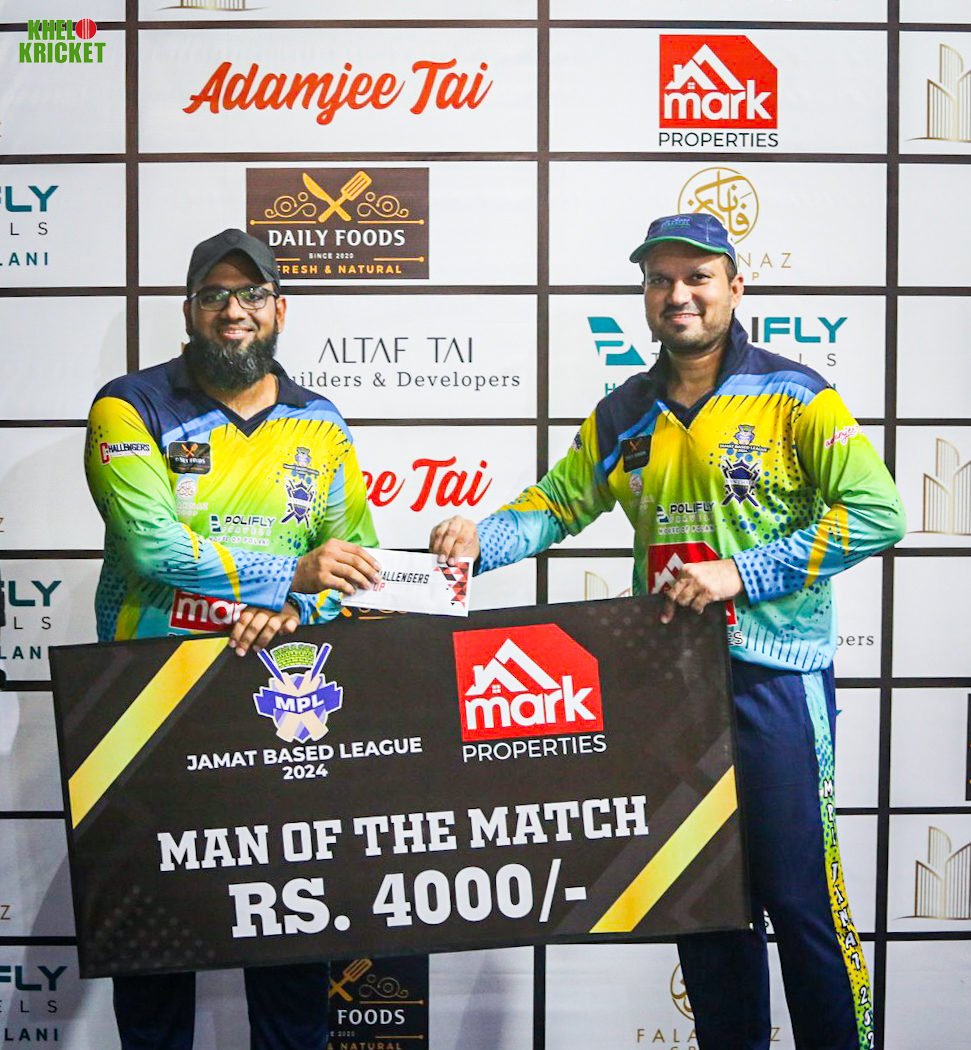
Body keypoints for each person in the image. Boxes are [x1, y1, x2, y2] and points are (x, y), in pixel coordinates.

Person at [429, 213, 906, 1050]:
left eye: (696, 277)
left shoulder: (794, 395)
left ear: (734, 287)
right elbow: (552, 507)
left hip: (774, 678)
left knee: (801, 904)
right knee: (709, 906)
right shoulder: (624, 411)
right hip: (673, 689)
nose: (677, 294)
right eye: (659, 280)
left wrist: (740, 572)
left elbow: (878, 513)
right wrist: (477, 541)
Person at [84, 228, 381, 1049]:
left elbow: (353, 567)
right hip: (147, 701)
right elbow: (152, 548)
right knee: (153, 945)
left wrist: (297, 611)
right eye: (213, 294)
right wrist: (288, 576)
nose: (233, 310)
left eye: (252, 294)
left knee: (287, 941)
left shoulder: (320, 423)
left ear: (280, 310)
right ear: (188, 312)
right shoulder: (128, 406)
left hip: (279, 703)